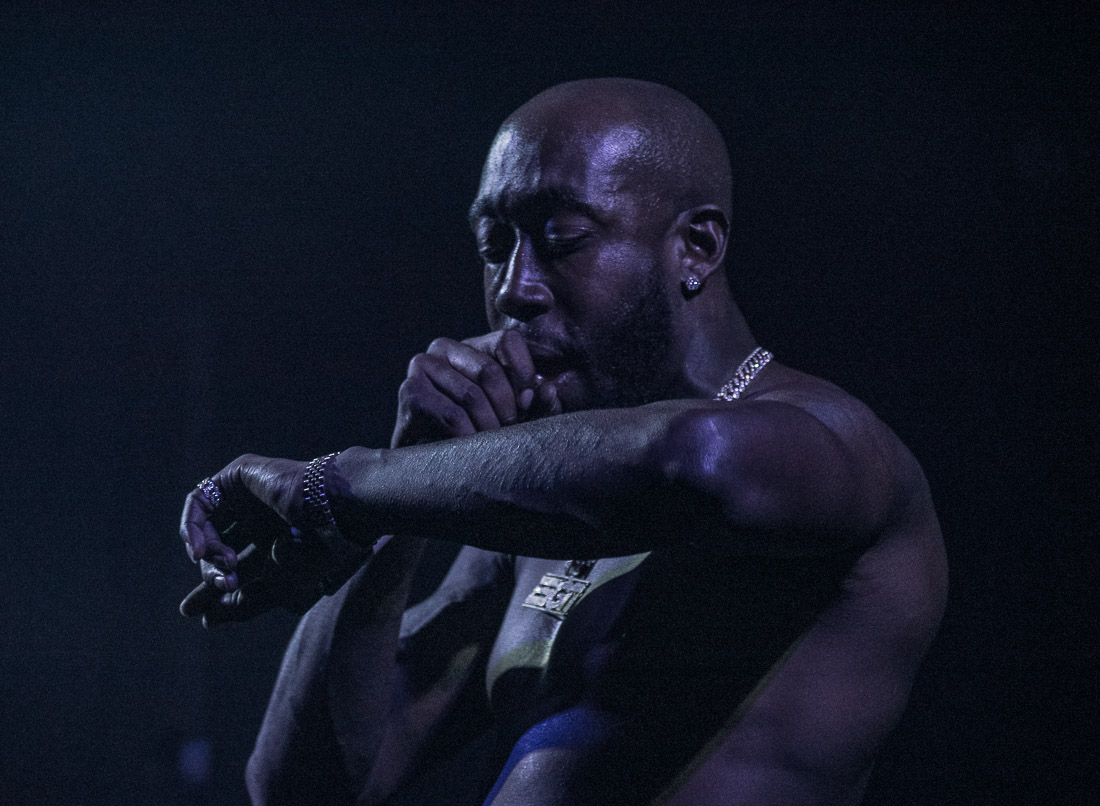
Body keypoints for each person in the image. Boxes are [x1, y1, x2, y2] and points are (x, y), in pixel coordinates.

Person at [179, 78, 948, 806]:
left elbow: (688, 463)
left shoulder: (834, 444)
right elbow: (302, 791)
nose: (514, 287)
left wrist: (343, 484)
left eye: (562, 239)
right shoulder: (519, 527)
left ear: (697, 248)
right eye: (494, 244)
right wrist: (385, 509)